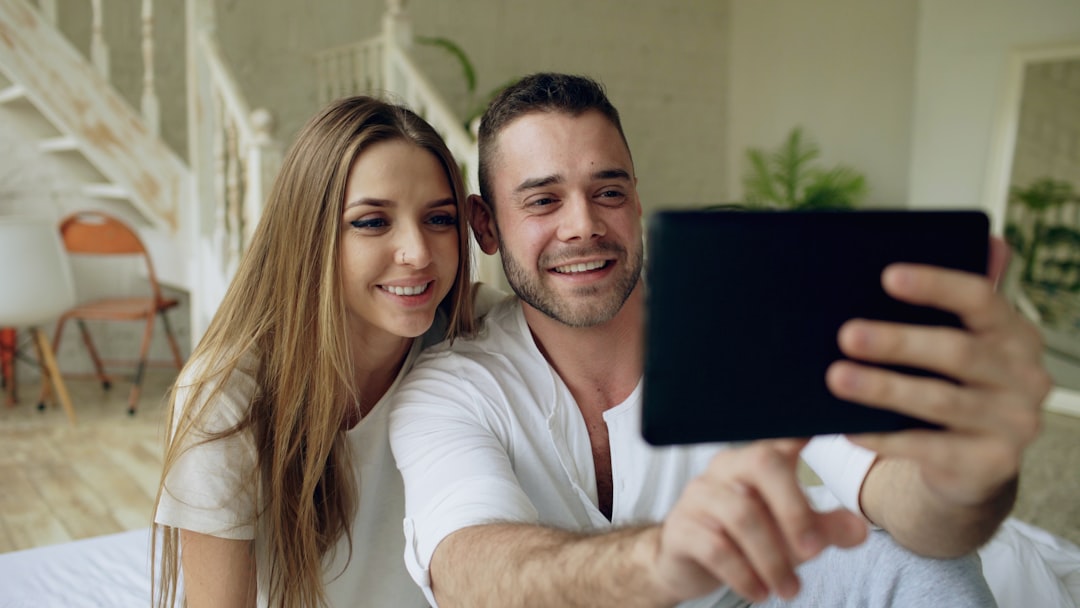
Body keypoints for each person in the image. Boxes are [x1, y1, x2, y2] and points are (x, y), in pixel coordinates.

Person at [389, 73, 1052, 606]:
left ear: (638, 201)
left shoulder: (744, 325)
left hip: (747, 598)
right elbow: (471, 570)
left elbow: (899, 496)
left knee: (921, 559)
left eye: (608, 191)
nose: (583, 226)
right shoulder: (454, 382)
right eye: (542, 201)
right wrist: (664, 558)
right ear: (486, 226)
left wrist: (962, 482)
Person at [152, 96, 487, 607]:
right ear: (310, 234)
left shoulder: (476, 334)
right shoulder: (223, 395)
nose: (419, 253)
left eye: (439, 219)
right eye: (372, 222)